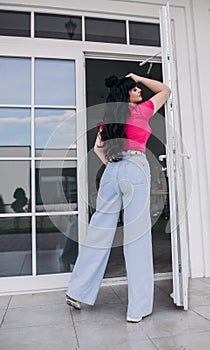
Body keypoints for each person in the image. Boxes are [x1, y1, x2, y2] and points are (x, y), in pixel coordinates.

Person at [66, 73, 170, 322]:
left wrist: (114, 164)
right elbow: (165, 90)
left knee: (98, 231)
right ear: (127, 94)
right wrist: (139, 76)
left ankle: (77, 291)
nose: (139, 91)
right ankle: (137, 309)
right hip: (134, 167)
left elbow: (98, 149)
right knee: (137, 236)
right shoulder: (142, 111)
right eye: (135, 89)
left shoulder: (109, 119)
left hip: (112, 172)